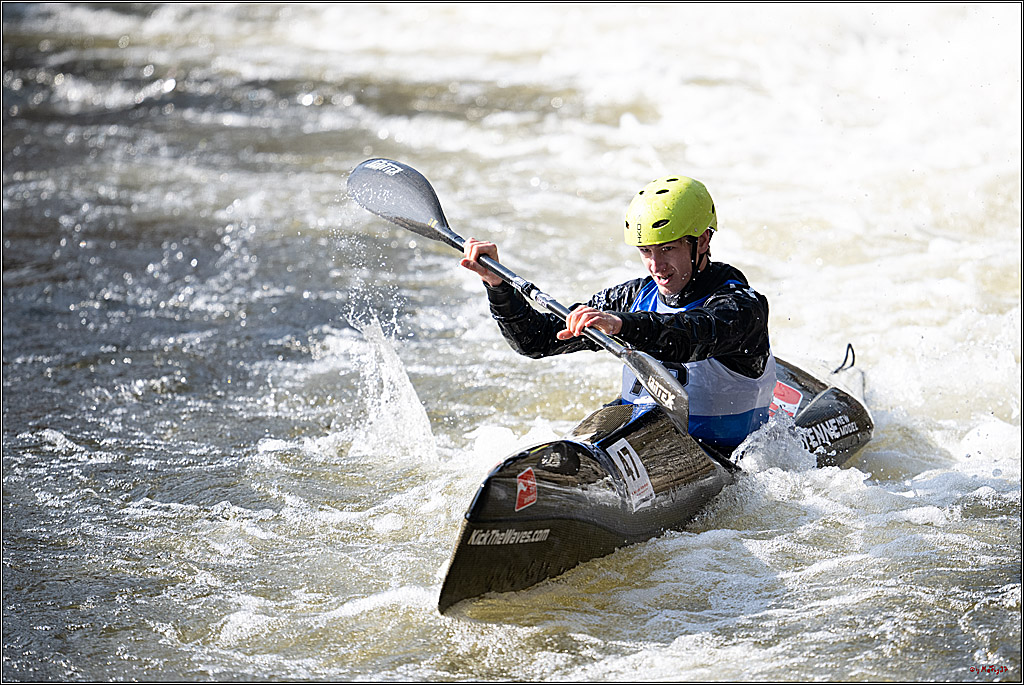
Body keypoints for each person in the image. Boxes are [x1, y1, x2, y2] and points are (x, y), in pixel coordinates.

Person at [460, 175, 776, 452]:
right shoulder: (632, 297)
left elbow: (688, 335)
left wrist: (620, 325)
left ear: (702, 240)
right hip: (642, 440)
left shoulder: (742, 308)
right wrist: (498, 286)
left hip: (722, 452)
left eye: (667, 248)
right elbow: (536, 340)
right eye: (646, 251)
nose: (656, 266)